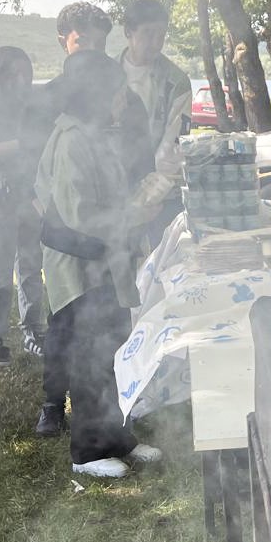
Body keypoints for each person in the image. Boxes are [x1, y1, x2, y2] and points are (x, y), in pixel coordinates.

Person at [35, 51, 170, 477]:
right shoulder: (72, 139)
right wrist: (133, 215)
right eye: (116, 93)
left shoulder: (92, 134)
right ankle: (88, 453)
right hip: (79, 269)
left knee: (110, 351)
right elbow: (79, 213)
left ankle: (117, 437)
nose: (122, 101)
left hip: (101, 263)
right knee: (89, 356)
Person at [0, 46, 52, 366]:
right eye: (14, 73)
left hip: (27, 189)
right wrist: (25, 142)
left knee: (32, 262)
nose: (21, 80)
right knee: (0, 265)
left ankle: (34, 329)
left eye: (26, 73)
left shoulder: (30, 107)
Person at [117, 0, 190, 236]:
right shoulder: (106, 75)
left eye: (161, 35)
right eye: (148, 34)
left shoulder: (176, 82)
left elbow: (173, 147)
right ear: (129, 31)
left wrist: (145, 201)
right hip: (114, 194)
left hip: (160, 198)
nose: (156, 43)